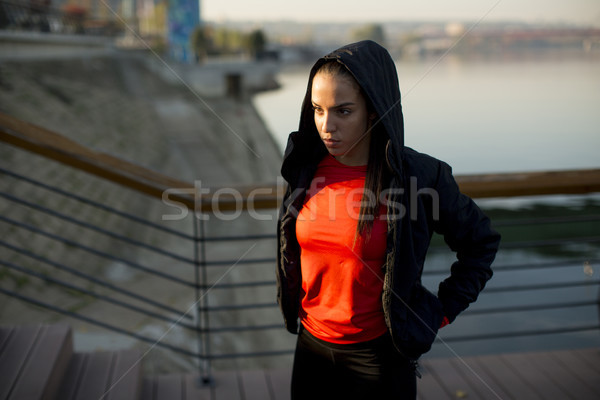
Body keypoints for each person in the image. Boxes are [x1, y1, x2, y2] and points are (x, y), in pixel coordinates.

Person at [276, 40, 501, 399]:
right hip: (312, 348)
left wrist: (439, 311)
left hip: (379, 359)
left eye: (343, 111)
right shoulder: (303, 167)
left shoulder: (419, 176)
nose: (326, 126)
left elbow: (481, 243)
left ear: (373, 109)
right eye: (318, 109)